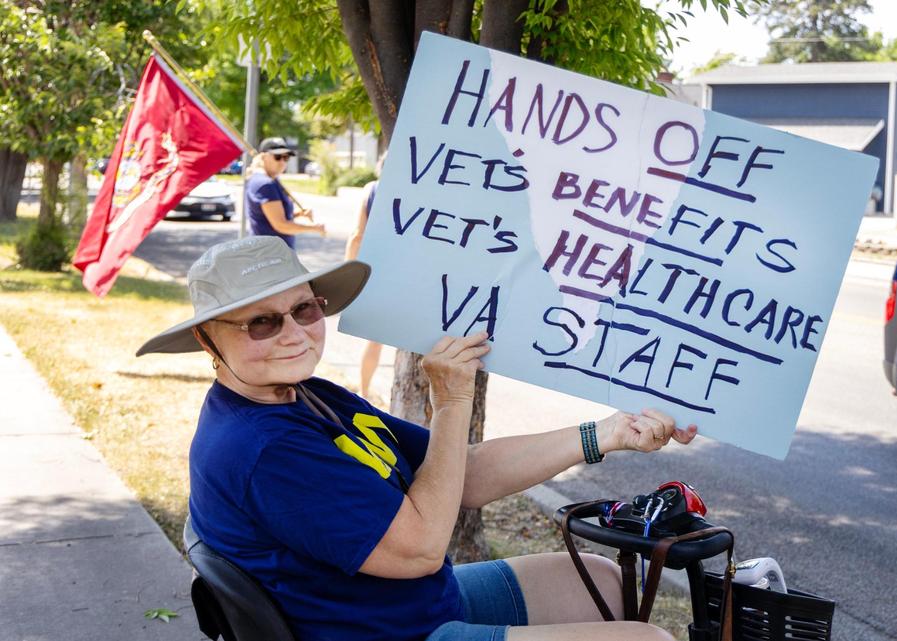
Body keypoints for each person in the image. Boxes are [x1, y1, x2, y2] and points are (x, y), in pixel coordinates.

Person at [136, 236, 698, 641]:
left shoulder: (309, 394)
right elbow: (420, 549)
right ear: (210, 340)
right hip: (379, 631)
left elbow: (464, 476)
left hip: (411, 607)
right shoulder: (261, 447)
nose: (293, 333)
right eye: (262, 322)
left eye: (304, 309)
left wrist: (607, 432)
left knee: (600, 581)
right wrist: (451, 403)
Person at [344, 154, 386, 403]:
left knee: (375, 339)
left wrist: (349, 271)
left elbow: (357, 234)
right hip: (413, 273)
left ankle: (365, 390)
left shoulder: (372, 189)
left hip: (378, 269)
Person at [246, 137, 325, 247]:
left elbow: (270, 216)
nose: (282, 162)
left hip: (274, 253)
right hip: (270, 256)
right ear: (263, 157)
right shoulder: (264, 184)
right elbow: (280, 225)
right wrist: (314, 228)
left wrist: (298, 213)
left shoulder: (272, 180)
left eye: (286, 157)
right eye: (277, 157)